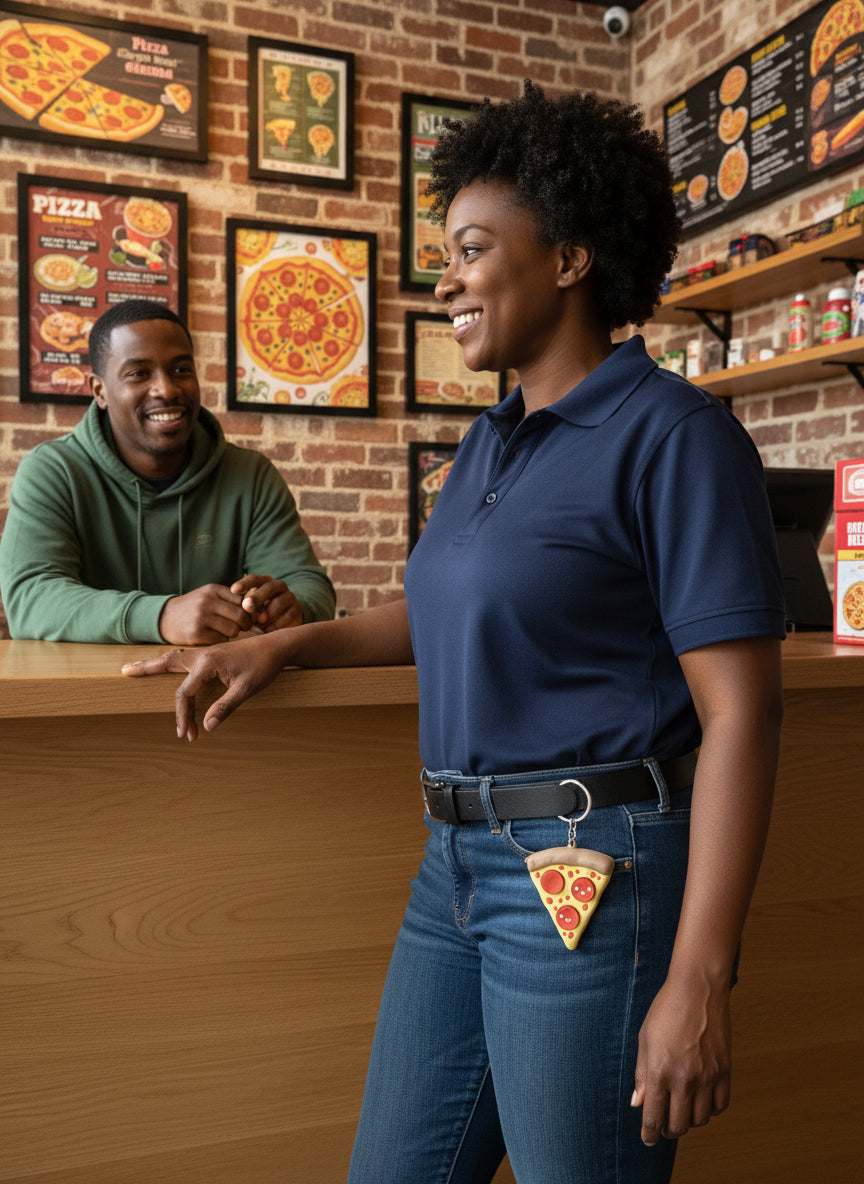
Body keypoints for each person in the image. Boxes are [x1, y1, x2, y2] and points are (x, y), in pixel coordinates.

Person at [122, 83, 786, 1183]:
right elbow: (438, 617)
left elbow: (744, 713)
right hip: (456, 869)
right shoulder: (487, 442)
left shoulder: (675, 437)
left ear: (570, 257)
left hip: (592, 870)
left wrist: (701, 975)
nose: (445, 278)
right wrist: (287, 643)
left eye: (472, 248)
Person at [0, 299, 335, 643]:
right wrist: (160, 616)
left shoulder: (250, 474)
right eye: (139, 373)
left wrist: (294, 607)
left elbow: (309, 584)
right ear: (100, 391)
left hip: (218, 690)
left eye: (180, 370)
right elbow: (30, 600)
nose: (167, 389)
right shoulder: (52, 472)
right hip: (90, 691)